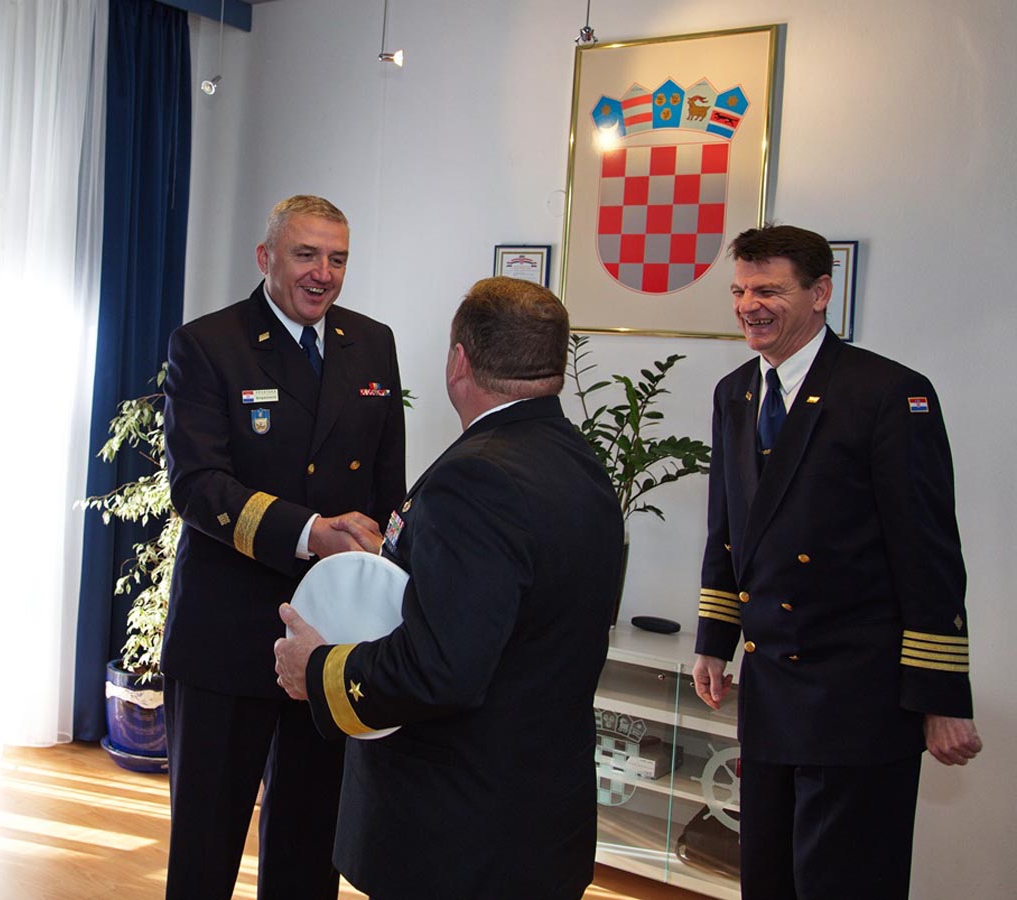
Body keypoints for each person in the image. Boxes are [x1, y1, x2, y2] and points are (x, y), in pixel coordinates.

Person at [274, 276, 625, 900]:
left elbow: (441, 669)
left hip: (460, 833)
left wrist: (318, 669)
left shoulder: (475, 479)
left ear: (459, 361)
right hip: (538, 814)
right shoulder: (577, 460)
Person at [691, 224, 982, 899]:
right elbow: (728, 530)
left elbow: (929, 553)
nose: (749, 306)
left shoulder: (887, 393)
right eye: (739, 291)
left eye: (768, 290)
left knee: (843, 881)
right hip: (770, 691)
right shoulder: (735, 392)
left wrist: (940, 698)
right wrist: (713, 639)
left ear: (820, 293)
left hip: (858, 698)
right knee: (768, 877)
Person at [160, 195, 406, 899]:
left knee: (309, 844)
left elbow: (388, 484)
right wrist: (309, 532)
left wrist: (384, 560)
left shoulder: (372, 342)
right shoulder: (209, 344)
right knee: (206, 848)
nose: (323, 273)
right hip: (227, 630)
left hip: (331, 636)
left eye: (337, 258)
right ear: (266, 257)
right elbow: (198, 487)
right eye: (306, 254)